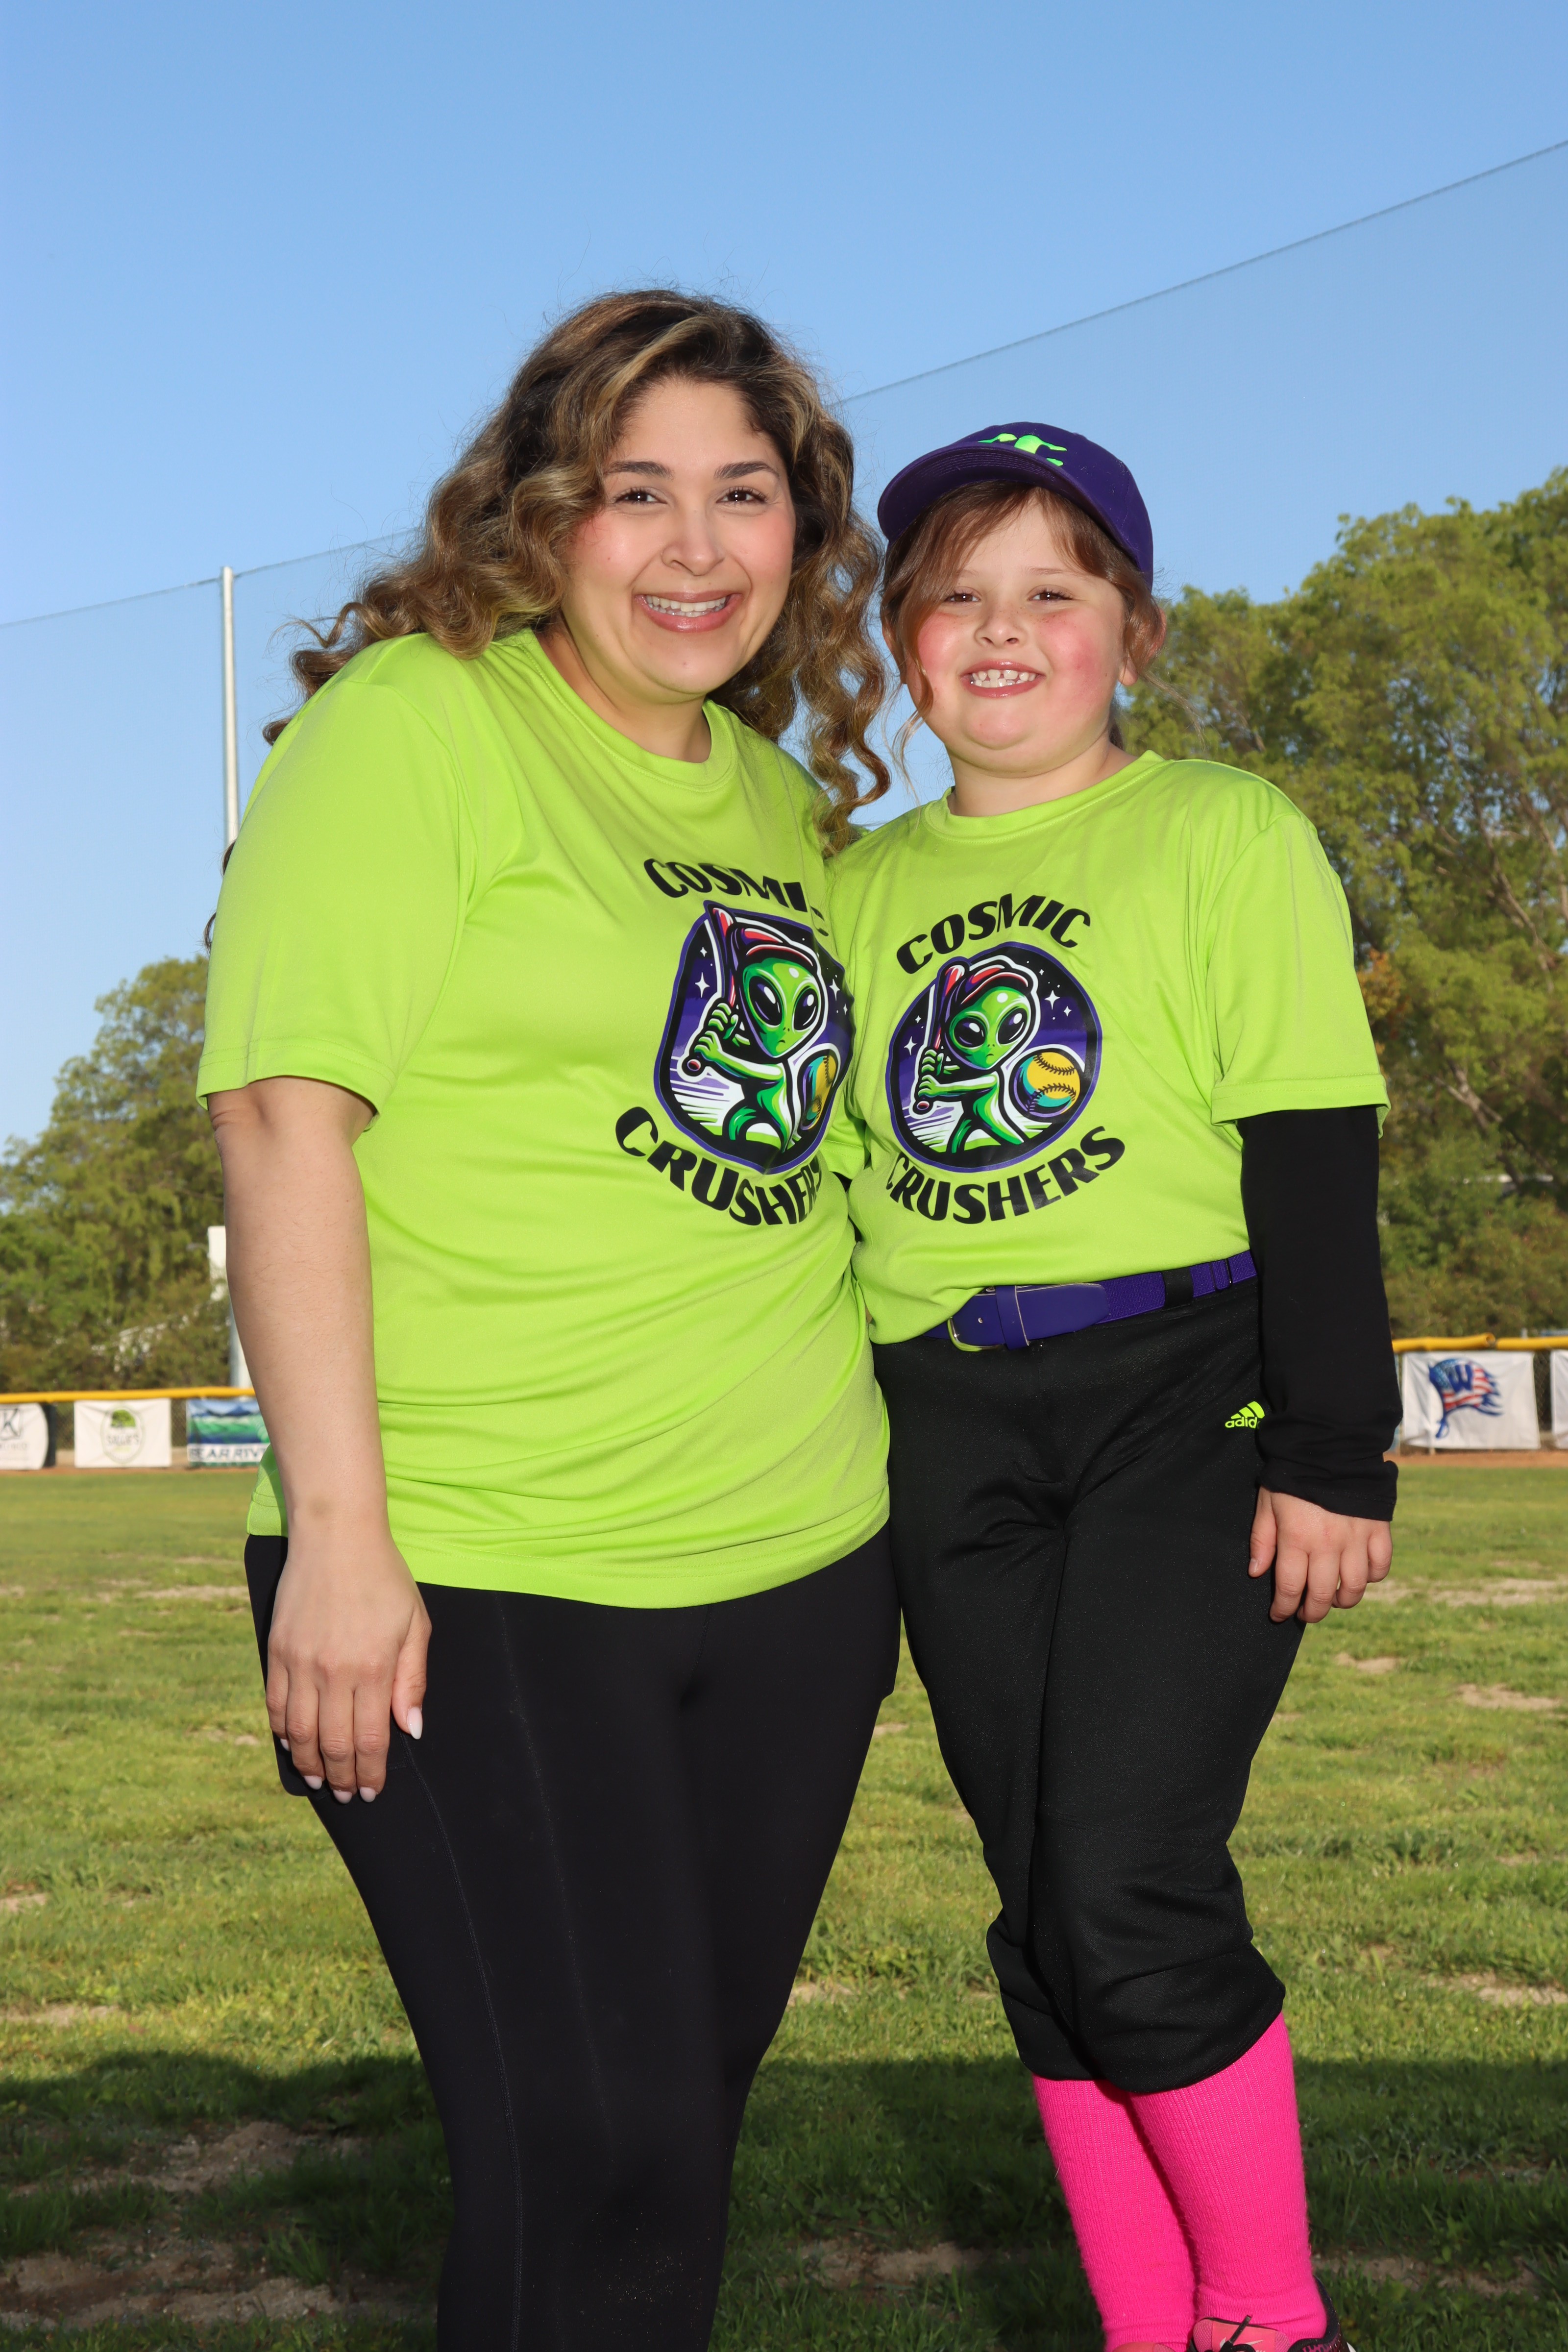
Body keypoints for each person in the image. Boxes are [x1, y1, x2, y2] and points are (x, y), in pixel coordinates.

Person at [198, 290, 899, 2352]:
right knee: (590, 2149)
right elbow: (281, 1115)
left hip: (794, 1571)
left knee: (672, 2142)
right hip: (485, 1565)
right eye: (634, 492)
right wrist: (342, 1537)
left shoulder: (776, 804)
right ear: (539, 515)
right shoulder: (419, 723)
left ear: (802, 531)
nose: (694, 548)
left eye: (744, 495)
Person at [828, 422, 1399, 2352]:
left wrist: (1333, 1447)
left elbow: (1309, 1142)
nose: (1000, 630)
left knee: (1128, 1886)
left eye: (1050, 593)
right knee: (1044, 1921)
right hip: (945, 1423)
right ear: (902, 643)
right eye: (953, 596)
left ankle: (1271, 2321)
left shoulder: (1219, 828)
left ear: (1131, 635)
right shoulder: (851, 889)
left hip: (1185, 1393)